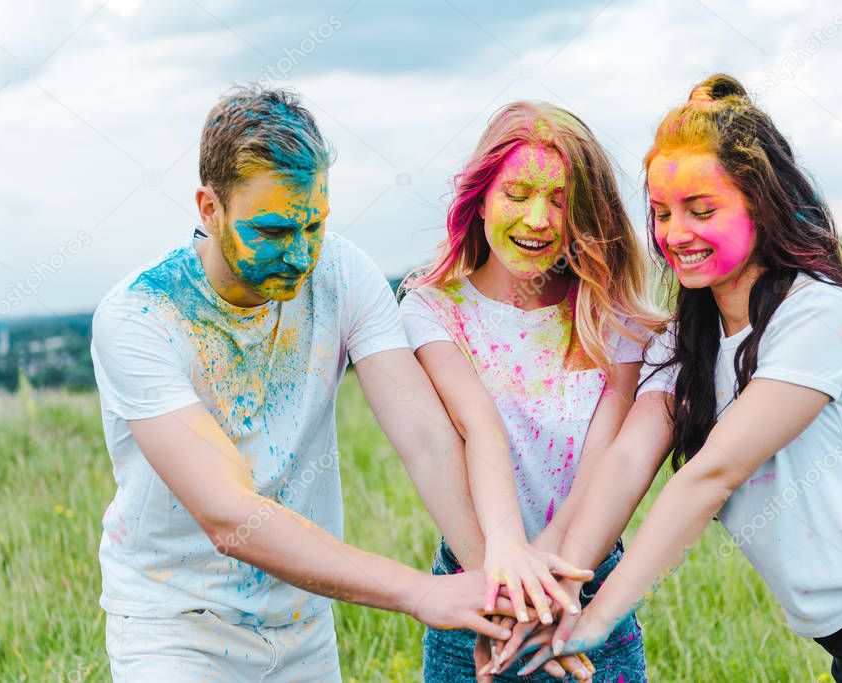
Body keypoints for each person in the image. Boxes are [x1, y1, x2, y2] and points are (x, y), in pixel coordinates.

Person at [504, 73, 842, 682]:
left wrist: (595, 621)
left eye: (701, 210)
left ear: (759, 203)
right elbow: (627, 462)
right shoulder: (686, 342)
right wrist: (559, 593)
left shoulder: (818, 314)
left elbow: (710, 476)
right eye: (660, 214)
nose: (675, 234)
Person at [91, 85, 526, 682]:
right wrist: (420, 593)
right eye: (271, 232)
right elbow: (228, 516)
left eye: (313, 226)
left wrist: (502, 603)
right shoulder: (140, 317)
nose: (299, 255)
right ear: (208, 208)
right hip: (174, 625)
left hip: (303, 625)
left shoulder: (344, 273)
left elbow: (425, 441)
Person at [400, 100, 666, 682]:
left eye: (561, 200)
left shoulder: (612, 316)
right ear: (483, 197)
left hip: (586, 591)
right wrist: (506, 569)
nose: (538, 218)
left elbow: (602, 461)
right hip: (473, 592)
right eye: (517, 194)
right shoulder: (434, 310)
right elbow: (478, 426)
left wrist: (541, 585)